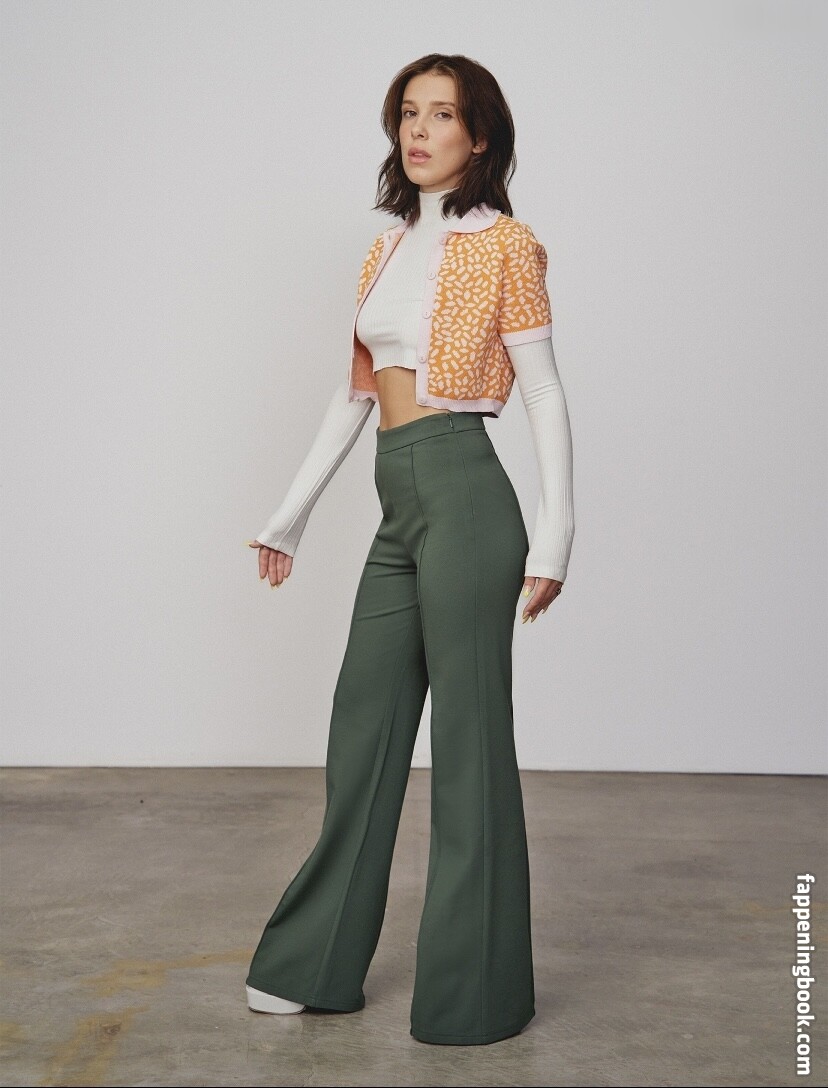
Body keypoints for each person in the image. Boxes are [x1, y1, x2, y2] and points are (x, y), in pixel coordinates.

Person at [243, 53, 574, 1047]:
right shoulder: (383, 251)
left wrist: (557, 531)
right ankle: (315, 961)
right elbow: (355, 394)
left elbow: (544, 388)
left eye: (443, 115)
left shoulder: (507, 243)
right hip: (400, 499)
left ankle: (476, 995)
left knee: (470, 743)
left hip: (467, 492)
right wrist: (290, 514)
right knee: (365, 723)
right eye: (408, 113)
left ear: (480, 136)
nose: (420, 131)